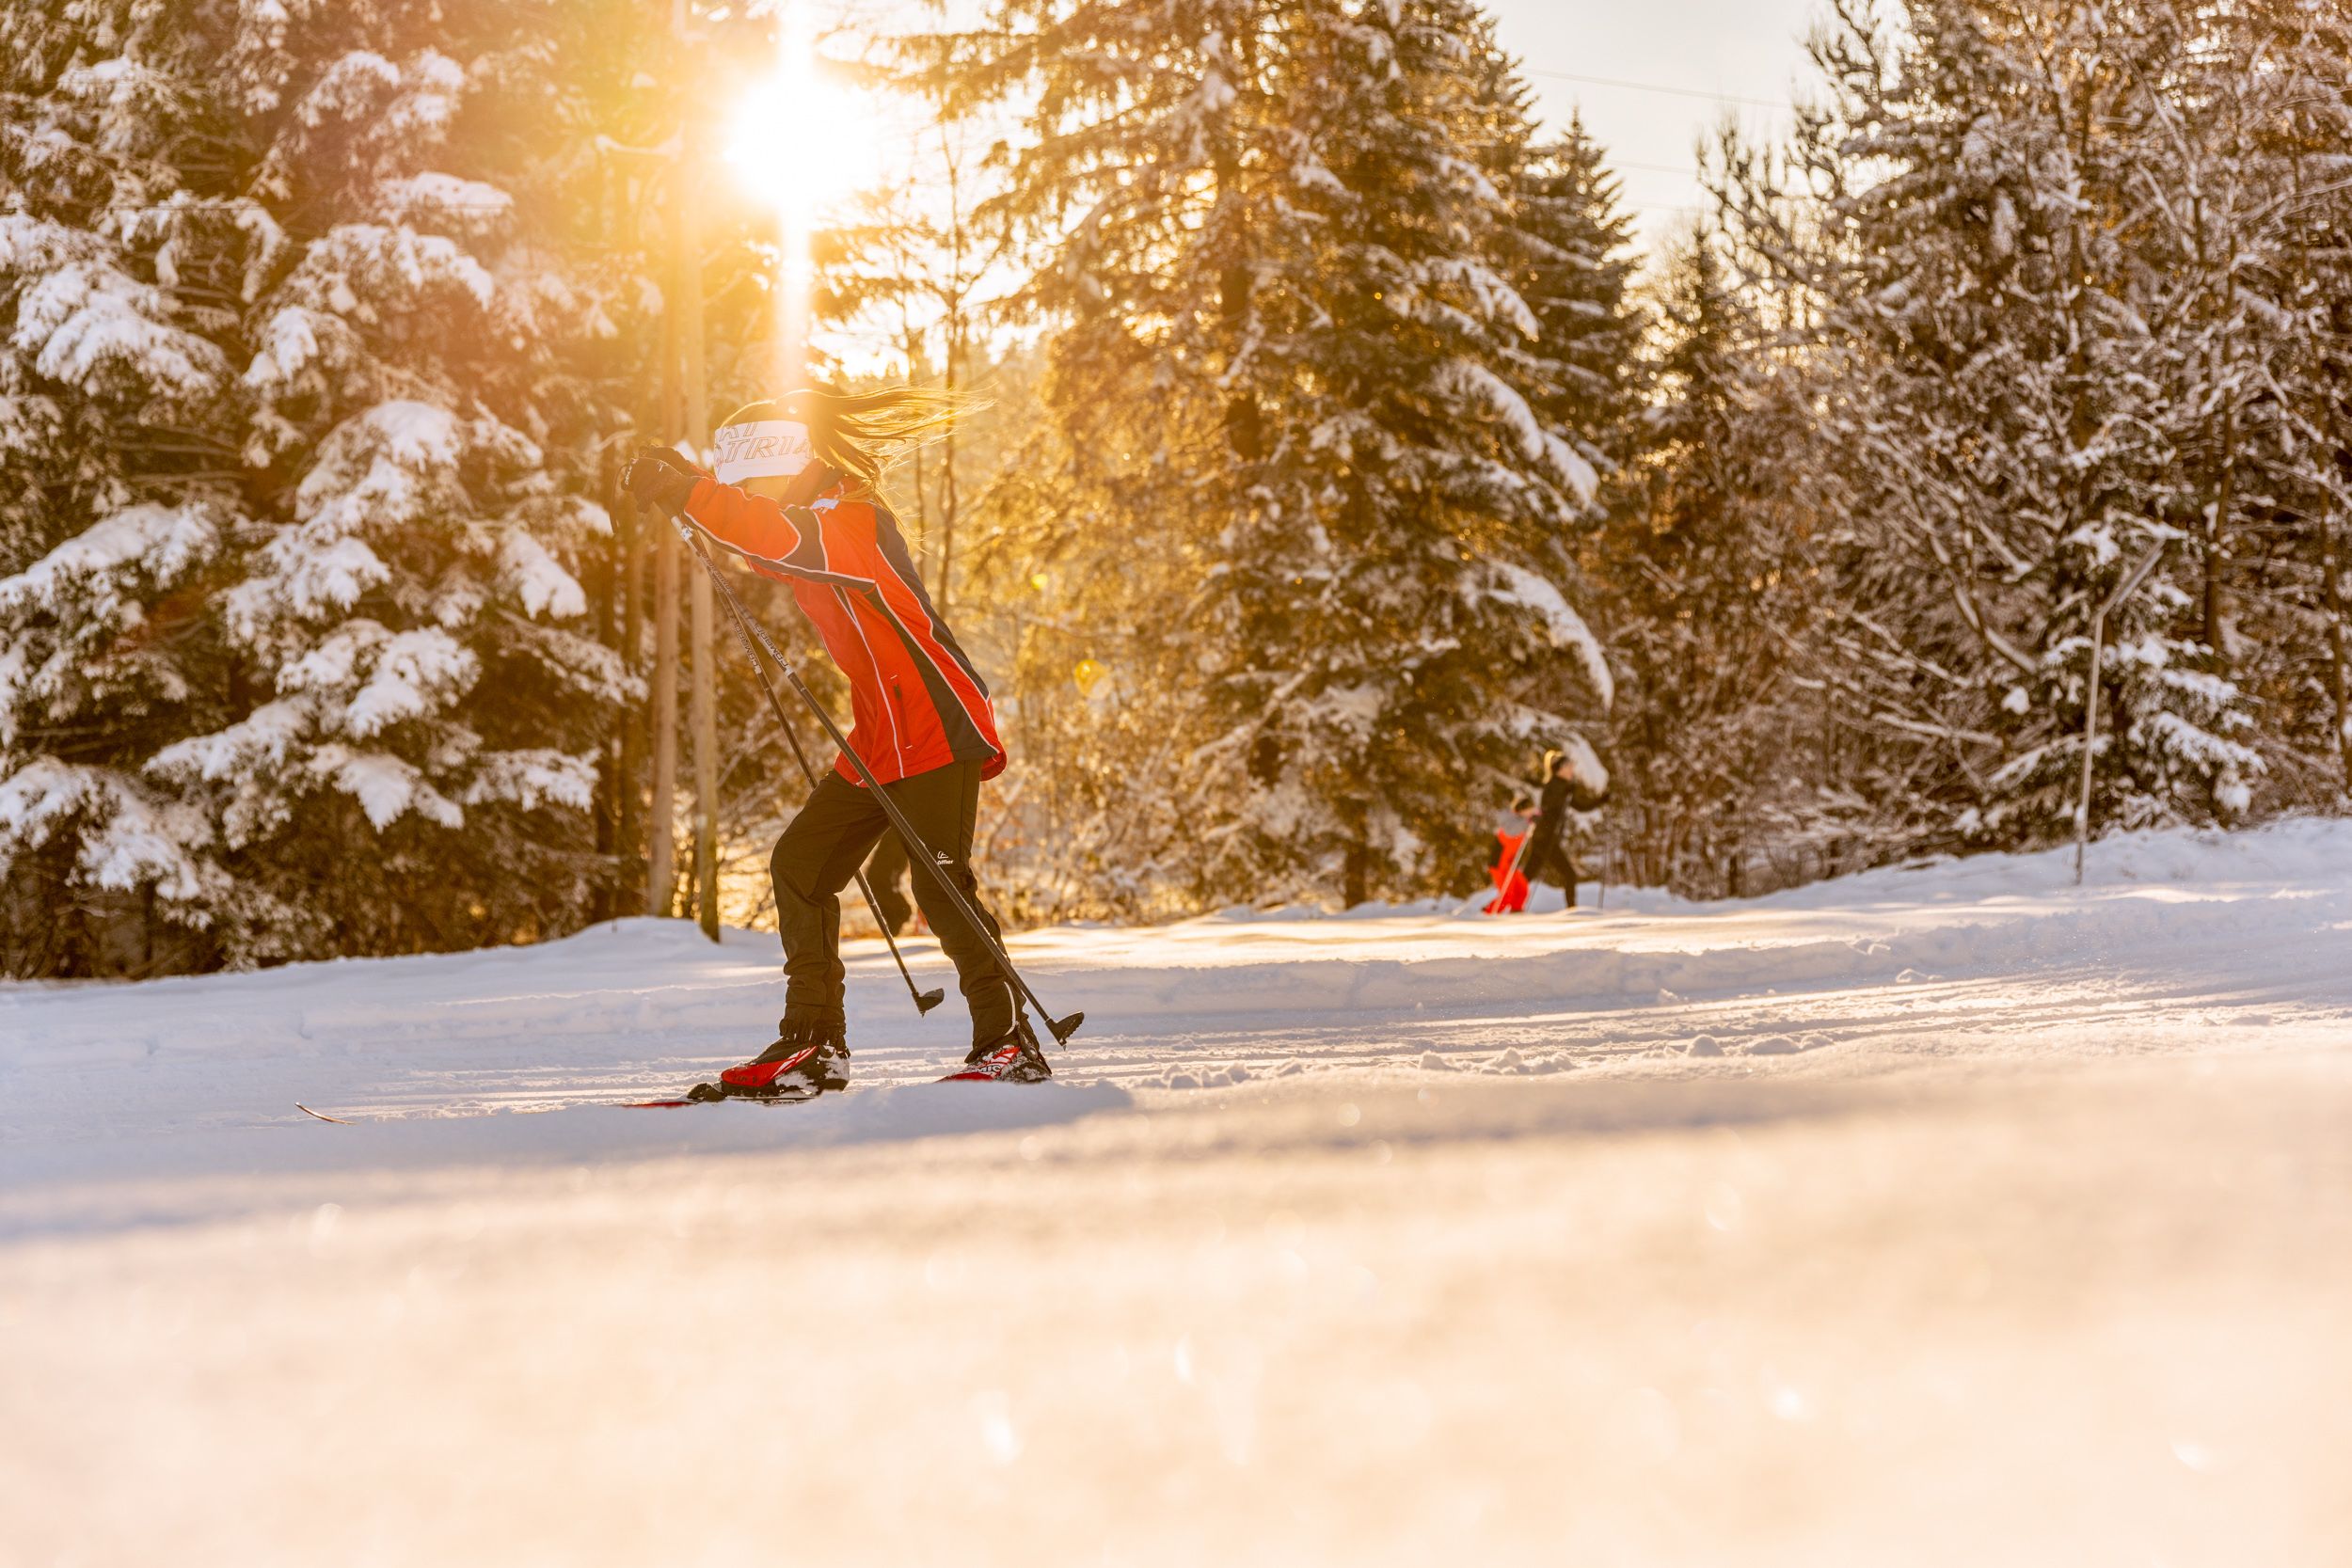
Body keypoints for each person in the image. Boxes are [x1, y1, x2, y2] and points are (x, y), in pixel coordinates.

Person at [622, 388, 1047, 1098]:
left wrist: (692, 492)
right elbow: (767, 545)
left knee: (938, 885)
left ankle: (1009, 1042)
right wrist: (686, 483)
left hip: (936, 718)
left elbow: (776, 537)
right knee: (802, 864)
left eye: (752, 482)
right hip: (881, 736)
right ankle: (813, 1043)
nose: (750, 495)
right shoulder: (812, 521)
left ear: (787, 465)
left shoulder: (851, 519)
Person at [1519, 747, 1606, 911]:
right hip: (1545, 838)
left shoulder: (1564, 787)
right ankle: (1572, 910)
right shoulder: (1553, 785)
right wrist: (1566, 791)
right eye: (1569, 767)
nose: (1572, 770)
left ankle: (1508, 904)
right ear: (1560, 769)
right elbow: (1548, 804)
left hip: (1547, 838)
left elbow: (1581, 806)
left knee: (1527, 876)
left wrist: (1600, 801)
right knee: (1569, 874)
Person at [1484, 796, 1534, 914]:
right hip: (1499, 865)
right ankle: (1487, 914)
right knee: (1507, 895)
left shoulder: (1523, 822)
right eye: (1529, 810)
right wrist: (1528, 822)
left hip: (1510, 865)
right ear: (1522, 809)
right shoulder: (1510, 823)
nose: (1531, 813)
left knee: (1522, 889)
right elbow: (1511, 833)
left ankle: (1516, 912)